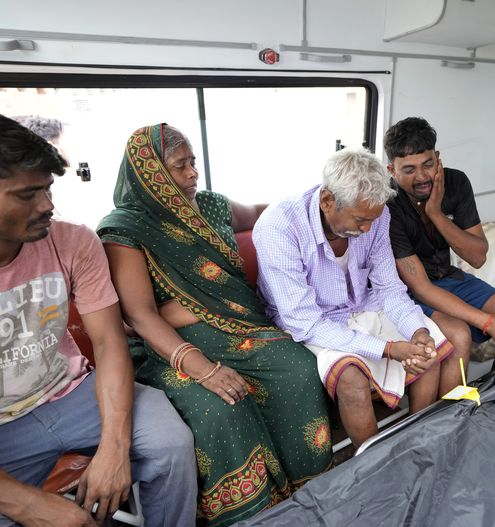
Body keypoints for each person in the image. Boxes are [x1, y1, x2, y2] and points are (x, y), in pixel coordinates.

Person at [97, 124, 332, 526]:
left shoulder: (210, 205)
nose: (193, 173)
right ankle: (249, 512)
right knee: (220, 406)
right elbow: (140, 316)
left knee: (299, 369)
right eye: (180, 166)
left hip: (240, 326)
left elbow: (261, 212)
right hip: (169, 346)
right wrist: (202, 369)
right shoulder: (125, 229)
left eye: (193, 162)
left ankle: (308, 489)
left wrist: (317, 209)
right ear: (150, 173)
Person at [0, 114, 197, 526]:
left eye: (48, 189)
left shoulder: (72, 241)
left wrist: (114, 448)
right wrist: (28, 505)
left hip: (71, 392)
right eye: (28, 194)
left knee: (170, 443)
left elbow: (108, 344)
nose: (48, 205)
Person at [254, 148, 460, 449]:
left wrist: (418, 332)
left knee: (426, 351)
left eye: (371, 221)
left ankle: (418, 445)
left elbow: (389, 289)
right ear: (327, 201)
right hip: (312, 324)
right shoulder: (279, 227)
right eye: (360, 221)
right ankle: (373, 462)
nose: (366, 230)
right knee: (351, 379)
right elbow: (305, 322)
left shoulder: (376, 215)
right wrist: (388, 349)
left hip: (363, 305)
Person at [384, 117, 495, 366]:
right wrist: (490, 323)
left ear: (438, 158)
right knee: (460, 335)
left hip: (448, 278)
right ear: (392, 170)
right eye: (409, 170)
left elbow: (477, 257)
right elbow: (421, 288)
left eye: (428, 165)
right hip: (410, 291)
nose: (422, 177)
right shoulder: (389, 203)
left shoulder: (456, 182)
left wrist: (436, 214)